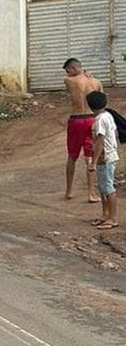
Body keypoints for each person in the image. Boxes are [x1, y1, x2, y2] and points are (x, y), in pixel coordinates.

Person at [63, 58, 103, 202]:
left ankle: (69, 191)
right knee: (90, 157)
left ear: (73, 69)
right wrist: (87, 74)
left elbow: (68, 79)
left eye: (68, 70)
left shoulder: (69, 81)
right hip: (92, 119)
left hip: (77, 119)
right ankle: (91, 193)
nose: (67, 73)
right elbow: (102, 99)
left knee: (72, 156)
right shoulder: (96, 82)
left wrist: (80, 73)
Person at [87, 91, 119, 230]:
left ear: (90, 106)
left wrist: (93, 161)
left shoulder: (100, 120)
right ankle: (105, 215)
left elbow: (100, 141)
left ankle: (112, 218)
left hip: (105, 157)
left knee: (107, 187)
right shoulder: (108, 115)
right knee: (102, 187)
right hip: (108, 155)